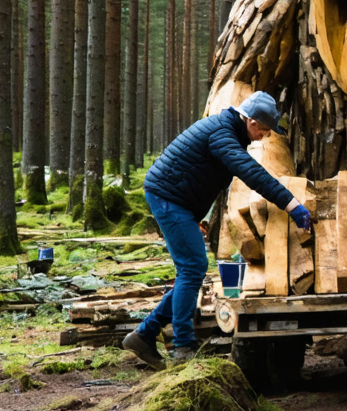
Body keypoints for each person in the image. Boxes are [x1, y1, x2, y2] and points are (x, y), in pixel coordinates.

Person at [122, 92, 312, 370]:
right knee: (192, 268)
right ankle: (183, 347)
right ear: (250, 121)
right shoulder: (222, 135)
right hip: (168, 197)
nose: (263, 137)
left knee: (192, 269)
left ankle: (144, 335)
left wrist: (202, 217)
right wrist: (292, 204)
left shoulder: (227, 132)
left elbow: (208, 178)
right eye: (264, 130)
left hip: (178, 201)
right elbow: (252, 174)